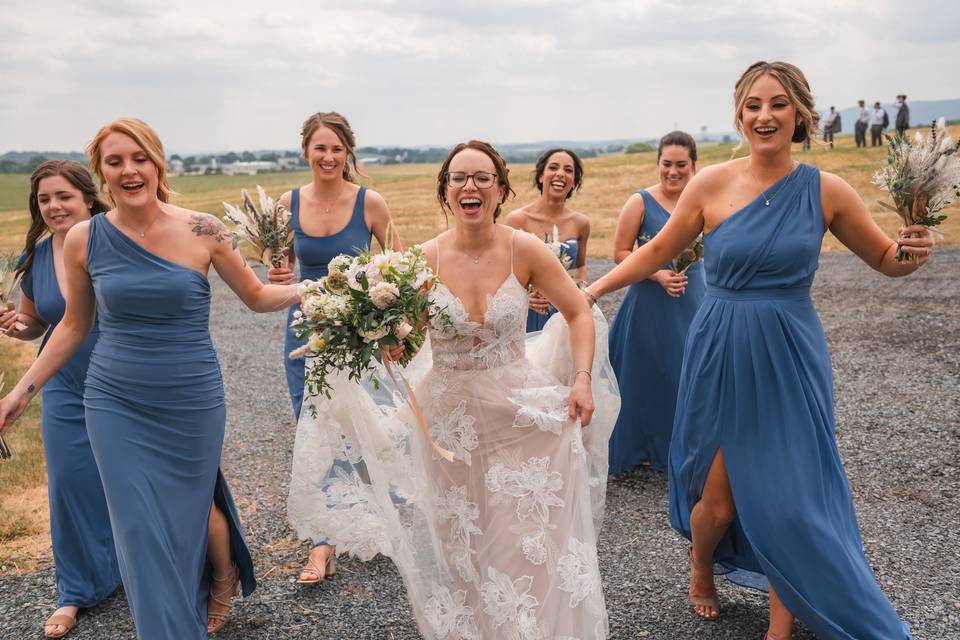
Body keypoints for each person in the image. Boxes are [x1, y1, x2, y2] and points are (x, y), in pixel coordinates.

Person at [584, 61, 930, 639]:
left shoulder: (826, 190)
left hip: (790, 356)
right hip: (720, 350)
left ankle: (781, 623)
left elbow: (886, 261)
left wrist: (912, 250)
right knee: (717, 506)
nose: (764, 116)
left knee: (789, 496)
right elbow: (655, 252)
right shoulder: (710, 183)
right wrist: (589, 290)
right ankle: (701, 564)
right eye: (752, 105)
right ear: (739, 114)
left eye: (777, 104)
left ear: (799, 114)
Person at [287, 140, 620, 638]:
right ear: (445, 191)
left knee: (521, 538)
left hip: (517, 414)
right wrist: (391, 346)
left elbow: (577, 311)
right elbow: (408, 332)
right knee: (464, 546)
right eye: (460, 178)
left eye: (483, 177)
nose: (471, 186)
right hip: (449, 425)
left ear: (500, 189)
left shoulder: (523, 248)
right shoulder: (419, 261)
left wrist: (580, 380)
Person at [0, 118, 301, 640]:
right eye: (115, 162)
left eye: (138, 158)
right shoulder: (83, 239)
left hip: (191, 400)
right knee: (138, 530)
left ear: (158, 161)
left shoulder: (204, 229)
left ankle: (221, 576)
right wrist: (19, 395)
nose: (129, 170)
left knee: (185, 522)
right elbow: (72, 325)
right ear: (102, 173)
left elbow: (256, 298)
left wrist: (309, 289)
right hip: (114, 401)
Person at [267, 111, 399, 585]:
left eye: (336, 148)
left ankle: (372, 513)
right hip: (305, 330)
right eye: (319, 148)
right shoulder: (287, 203)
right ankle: (322, 543)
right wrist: (278, 274)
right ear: (306, 151)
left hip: (358, 332)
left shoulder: (371, 203)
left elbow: (398, 270)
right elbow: (277, 266)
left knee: (362, 423)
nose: (328, 156)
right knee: (312, 427)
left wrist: (392, 328)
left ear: (348, 153)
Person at [1, 161, 121, 639]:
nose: (53, 207)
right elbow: (37, 323)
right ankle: (75, 590)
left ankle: (153, 568)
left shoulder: (117, 243)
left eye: (63, 197)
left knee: (129, 484)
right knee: (69, 488)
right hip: (65, 387)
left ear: (88, 199)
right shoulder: (34, 257)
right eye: (44, 200)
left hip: (123, 382)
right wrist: (16, 326)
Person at [606, 131, 705, 475]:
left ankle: (685, 448)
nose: (673, 171)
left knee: (688, 371)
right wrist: (656, 274)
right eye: (667, 164)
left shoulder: (703, 201)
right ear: (658, 164)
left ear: (694, 165)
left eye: (681, 165)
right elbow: (620, 252)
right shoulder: (641, 202)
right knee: (647, 374)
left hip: (694, 296)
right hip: (649, 301)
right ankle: (643, 447)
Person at [502, 148, 590, 332]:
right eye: (554, 168)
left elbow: (580, 266)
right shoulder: (517, 220)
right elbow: (503, 272)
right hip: (528, 313)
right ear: (541, 176)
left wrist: (583, 290)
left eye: (568, 170)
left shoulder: (580, 223)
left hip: (567, 313)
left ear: (574, 181)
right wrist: (525, 297)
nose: (560, 174)